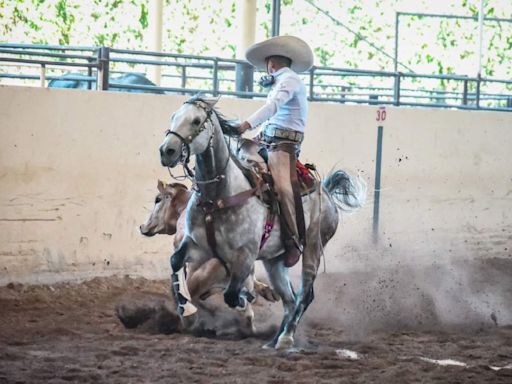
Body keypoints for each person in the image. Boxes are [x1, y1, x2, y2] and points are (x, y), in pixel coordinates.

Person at [238, 35, 314, 268]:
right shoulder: (285, 80)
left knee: (283, 188)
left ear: (271, 64)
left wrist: (245, 125)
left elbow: (272, 108)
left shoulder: (289, 81)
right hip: (268, 139)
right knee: (237, 160)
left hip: (284, 146)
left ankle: (293, 241)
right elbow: (274, 115)